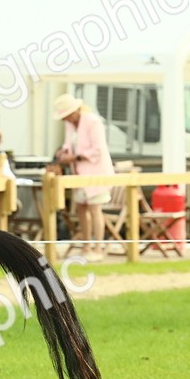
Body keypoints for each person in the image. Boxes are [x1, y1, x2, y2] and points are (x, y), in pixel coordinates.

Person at [54, 93, 115, 261]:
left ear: (73, 111)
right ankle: (87, 246)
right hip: (79, 174)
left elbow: (98, 150)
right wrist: (64, 152)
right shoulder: (70, 125)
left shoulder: (93, 122)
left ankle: (97, 248)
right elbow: (69, 144)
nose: (64, 119)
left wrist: (74, 157)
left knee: (95, 209)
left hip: (96, 173)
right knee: (81, 208)